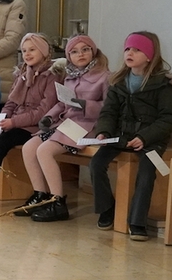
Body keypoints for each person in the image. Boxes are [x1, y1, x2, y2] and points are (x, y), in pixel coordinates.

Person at [90, 31, 172, 241]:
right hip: (120, 137)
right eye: (128, 49)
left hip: (150, 140)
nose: (130, 53)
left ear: (149, 56)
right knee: (96, 164)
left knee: (147, 171)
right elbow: (108, 112)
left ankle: (138, 221)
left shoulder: (162, 84)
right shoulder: (118, 82)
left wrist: (145, 137)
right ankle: (107, 209)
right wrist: (103, 131)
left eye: (137, 50)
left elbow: (169, 117)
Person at [0, 33, 60, 214]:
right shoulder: (23, 73)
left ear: (44, 51)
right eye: (24, 50)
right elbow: (12, 102)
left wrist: (13, 122)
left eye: (32, 50)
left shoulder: (52, 76)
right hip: (17, 123)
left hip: (36, 127)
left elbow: (42, 111)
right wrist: (1, 119)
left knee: (2, 142)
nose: (27, 54)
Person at [18, 35, 109, 222]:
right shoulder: (70, 76)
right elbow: (62, 103)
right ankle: (40, 195)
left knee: (45, 151)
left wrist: (85, 104)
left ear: (93, 51)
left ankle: (57, 201)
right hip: (65, 124)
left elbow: (109, 107)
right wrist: (48, 117)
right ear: (69, 56)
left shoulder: (104, 76)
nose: (80, 54)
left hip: (86, 125)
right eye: (74, 52)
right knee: (29, 147)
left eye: (85, 49)